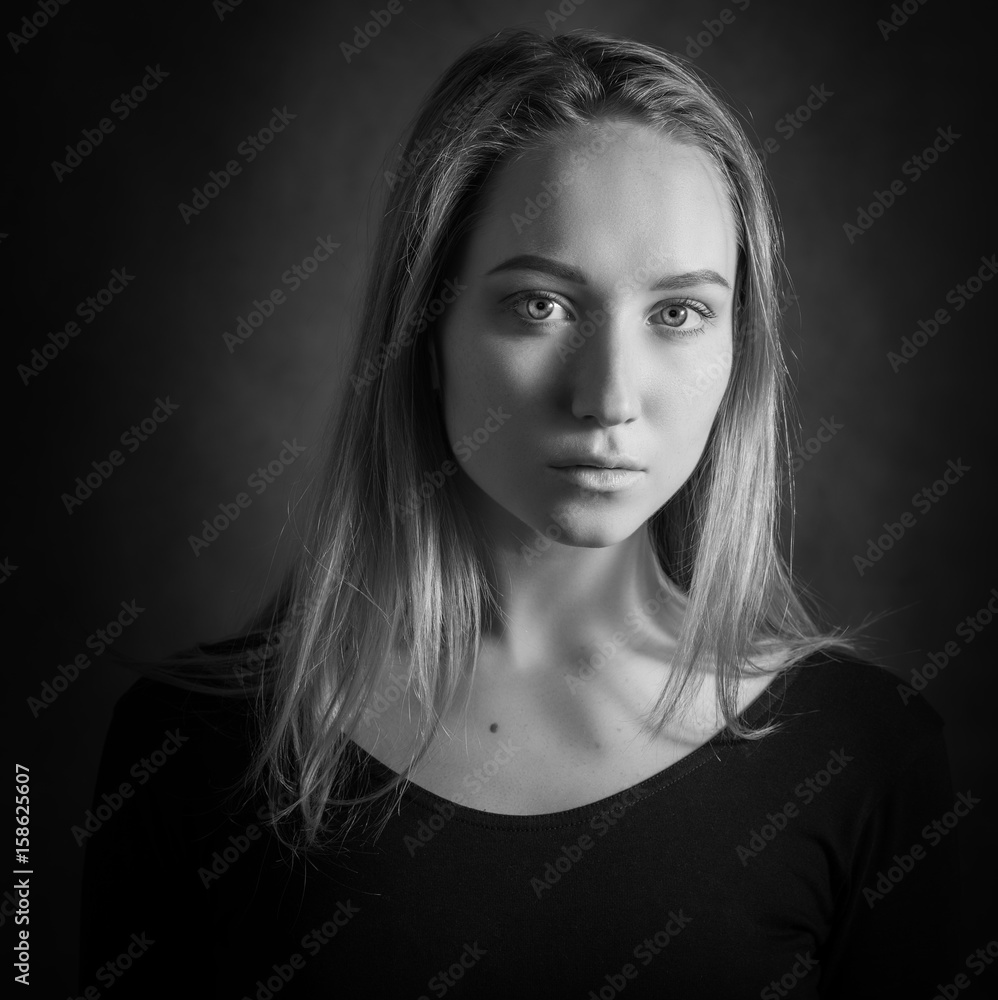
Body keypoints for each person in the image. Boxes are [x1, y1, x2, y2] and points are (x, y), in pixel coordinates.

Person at [79, 27, 960, 998]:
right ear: (427, 330)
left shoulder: (864, 757)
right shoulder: (192, 752)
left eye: (677, 313)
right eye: (540, 304)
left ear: (737, 351)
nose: (607, 395)